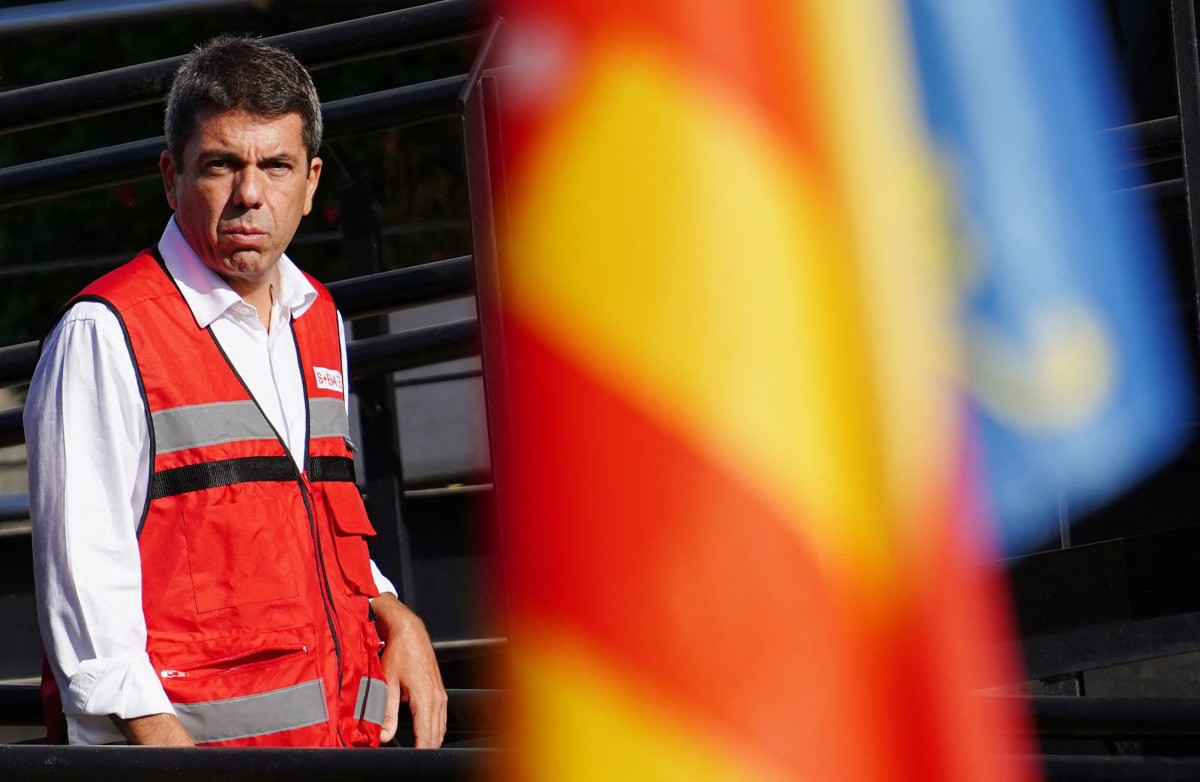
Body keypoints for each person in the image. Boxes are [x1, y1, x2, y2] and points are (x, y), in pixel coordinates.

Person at [24, 35, 447, 748]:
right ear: (172, 177)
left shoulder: (319, 318)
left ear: (311, 184)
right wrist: (170, 756)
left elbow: (313, 523)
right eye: (222, 164)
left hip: (340, 747)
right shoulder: (105, 334)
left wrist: (394, 613)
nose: (250, 194)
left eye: (276, 166)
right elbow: (84, 590)